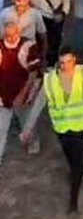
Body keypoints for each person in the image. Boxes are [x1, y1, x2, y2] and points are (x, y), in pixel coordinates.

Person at [38, 45, 83, 212]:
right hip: (62, 129)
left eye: (68, 62)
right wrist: (28, 129)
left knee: (78, 161)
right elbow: (39, 104)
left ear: (74, 61)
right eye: (62, 62)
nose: (65, 66)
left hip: (80, 127)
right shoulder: (50, 80)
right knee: (71, 159)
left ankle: (73, 201)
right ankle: (74, 174)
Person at [0, 18, 43, 164]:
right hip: (4, 94)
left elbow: (32, 74)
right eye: (7, 36)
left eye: (13, 35)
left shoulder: (28, 46)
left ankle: (32, 141)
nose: (10, 38)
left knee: (26, 120)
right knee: (1, 127)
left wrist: (23, 94)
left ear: (18, 32)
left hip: (24, 91)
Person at [27, 0, 70, 66]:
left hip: (57, 19)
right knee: (40, 43)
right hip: (41, 18)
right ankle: (40, 65)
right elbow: (30, 5)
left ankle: (52, 64)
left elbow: (66, 0)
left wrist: (63, 14)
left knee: (55, 43)